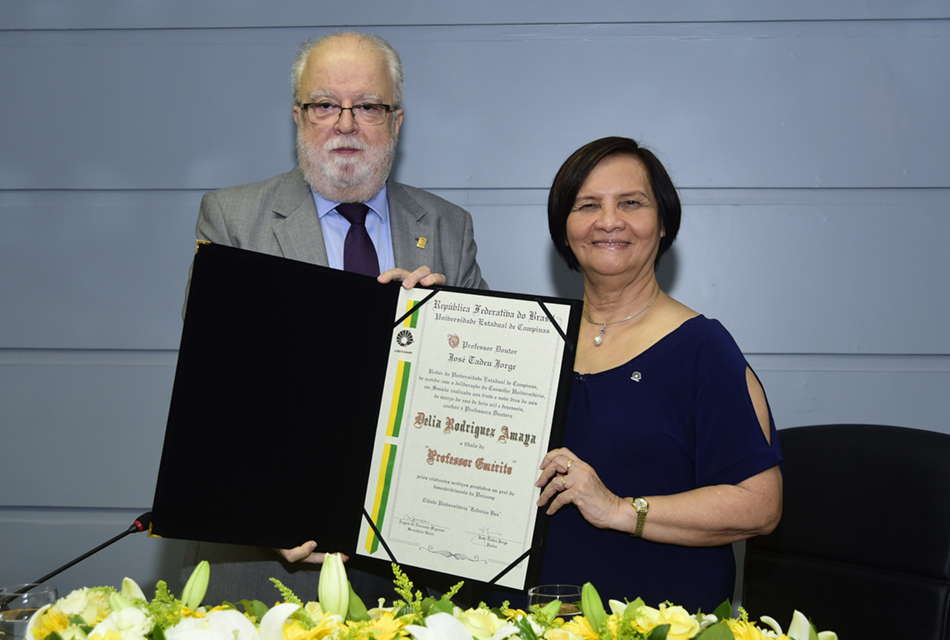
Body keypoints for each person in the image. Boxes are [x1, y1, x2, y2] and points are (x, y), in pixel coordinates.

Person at [182, 31, 487, 605]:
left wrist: (451, 329)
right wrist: (265, 509)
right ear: (298, 117)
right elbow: (216, 388)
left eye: (368, 106)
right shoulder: (232, 218)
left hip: (407, 576)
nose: (345, 124)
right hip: (261, 571)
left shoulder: (448, 227)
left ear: (396, 121)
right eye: (324, 104)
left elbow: (483, 396)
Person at [535, 136, 783, 612]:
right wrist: (416, 318)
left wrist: (619, 510)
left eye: (631, 203)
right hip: (529, 617)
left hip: (658, 620)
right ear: (564, 230)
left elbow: (760, 504)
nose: (609, 221)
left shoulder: (702, 348)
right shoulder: (533, 338)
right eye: (587, 205)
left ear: (663, 223)